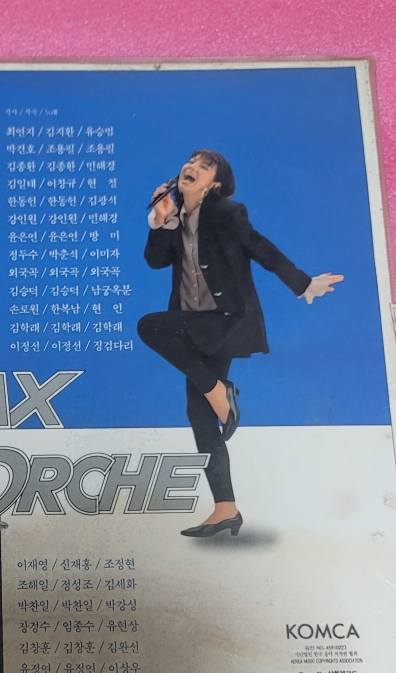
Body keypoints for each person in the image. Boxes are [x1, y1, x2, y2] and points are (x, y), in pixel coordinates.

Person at [137, 150, 343, 537]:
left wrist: (302, 284)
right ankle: (226, 509)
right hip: (193, 321)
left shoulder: (227, 213)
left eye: (205, 166)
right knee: (199, 414)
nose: (192, 166)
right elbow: (155, 261)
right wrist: (161, 221)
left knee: (149, 326)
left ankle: (219, 391)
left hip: (226, 320)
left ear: (214, 184)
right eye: (191, 161)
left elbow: (259, 247)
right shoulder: (176, 216)